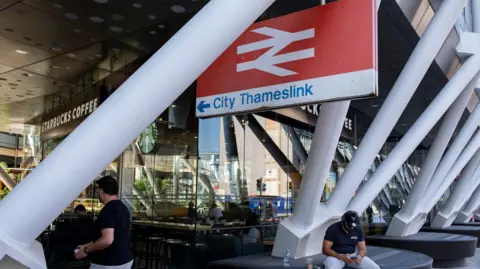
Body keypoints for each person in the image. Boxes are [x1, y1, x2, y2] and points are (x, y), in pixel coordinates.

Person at [75, 176, 133, 269]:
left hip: (108, 263)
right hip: (125, 260)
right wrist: (86, 245)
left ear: (102, 191)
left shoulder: (108, 210)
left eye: (98, 190)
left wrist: (86, 250)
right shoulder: (123, 208)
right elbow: (114, 237)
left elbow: (107, 240)